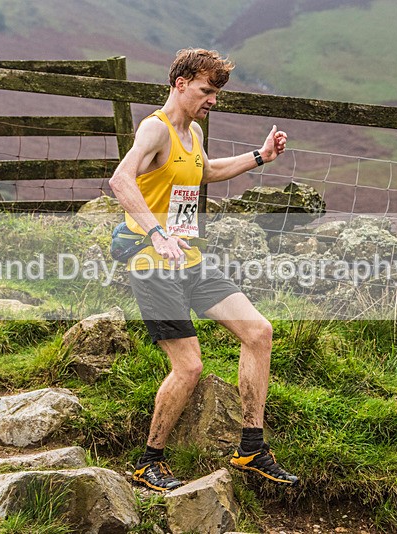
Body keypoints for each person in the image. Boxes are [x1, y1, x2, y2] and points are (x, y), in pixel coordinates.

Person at [108, 48, 298, 492]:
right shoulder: (156, 128)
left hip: (189, 261)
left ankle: (252, 447)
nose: (213, 100)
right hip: (152, 264)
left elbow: (204, 171)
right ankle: (148, 461)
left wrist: (260, 157)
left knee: (258, 332)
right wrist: (156, 233)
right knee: (189, 366)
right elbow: (121, 179)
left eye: (216, 93)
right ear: (181, 84)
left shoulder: (191, 132)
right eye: (206, 90)